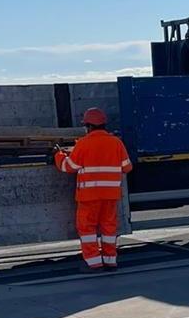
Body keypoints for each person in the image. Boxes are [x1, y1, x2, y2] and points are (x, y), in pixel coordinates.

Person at [53, 108, 133, 272]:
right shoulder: (116, 142)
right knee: (109, 228)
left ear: (88, 126)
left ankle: (94, 262)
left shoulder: (83, 143)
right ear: (104, 125)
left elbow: (69, 167)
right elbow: (127, 167)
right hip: (110, 195)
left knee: (87, 229)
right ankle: (111, 261)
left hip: (89, 196)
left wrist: (58, 155)